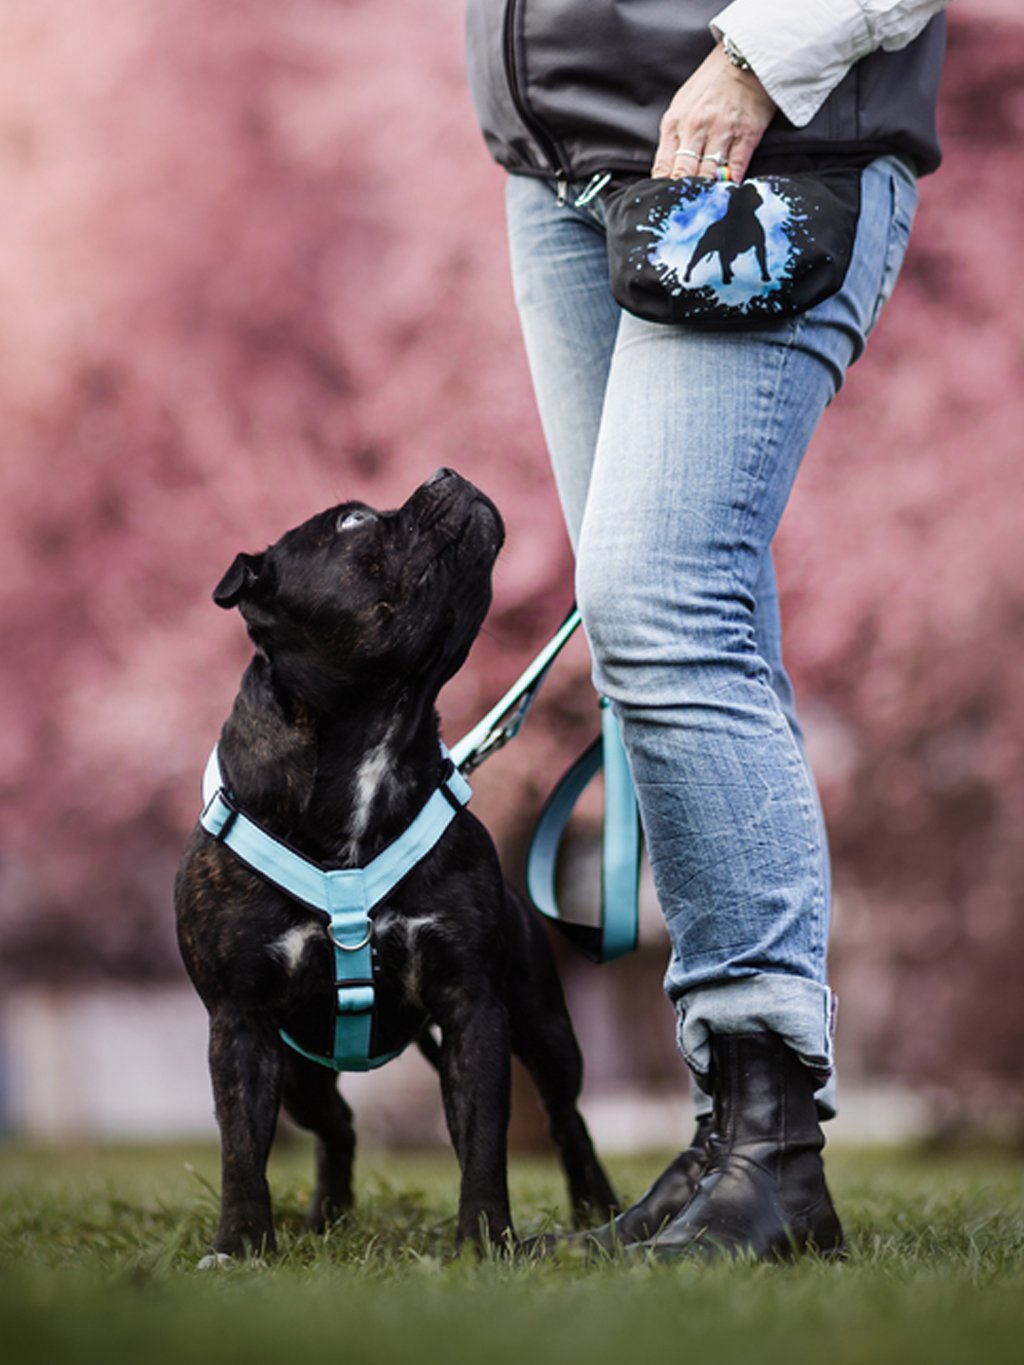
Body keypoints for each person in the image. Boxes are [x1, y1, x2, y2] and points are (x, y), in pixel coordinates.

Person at [463, 0, 949, 1261]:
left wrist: (752, 58)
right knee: (657, 626)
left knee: (661, 595)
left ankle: (773, 1147)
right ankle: (734, 1134)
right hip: (563, 165)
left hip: (760, 138)